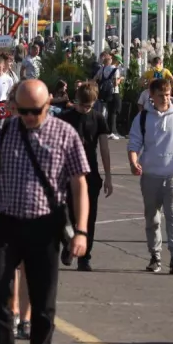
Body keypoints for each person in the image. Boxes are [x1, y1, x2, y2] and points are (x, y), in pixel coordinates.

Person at [0, 80, 89, 344]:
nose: (28, 117)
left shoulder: (66, 134)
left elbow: (79, 184)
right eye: (22, 111)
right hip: (5, 225)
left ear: (49, 104)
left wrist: (80, 231)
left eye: (35, 111)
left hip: (45, 228)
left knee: (44, 308)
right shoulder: (3, 130)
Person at [127, 77, 173, 274]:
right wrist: (133, 162)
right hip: (150, 176)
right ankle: (155, 255)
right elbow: (133, 144)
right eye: (161, 95)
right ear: (152, 96)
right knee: (152, 218)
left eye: (168, 94)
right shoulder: (142, 118)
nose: (165, 98)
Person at [57, 81, 114, 271]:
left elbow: (104, 149)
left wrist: (108, 176)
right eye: (82, 105)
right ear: (76, 100)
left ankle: (84, 256)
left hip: (90, 175)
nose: (84, 109)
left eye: (89, 106)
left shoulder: (98, 119)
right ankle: (68, 244)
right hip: (66, 174)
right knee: (67, 215)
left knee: (88, 217)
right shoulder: (65, 118)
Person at [93, 52, 123, 138]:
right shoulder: (115, 70)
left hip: (105, 93)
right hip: (114, 92)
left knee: (109, 111)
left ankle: (110, 131)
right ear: (116, 61)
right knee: (114, 111)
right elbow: (115, 83)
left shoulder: (102, 69)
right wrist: (120, 79)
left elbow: (95, 79)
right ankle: (113, 131)